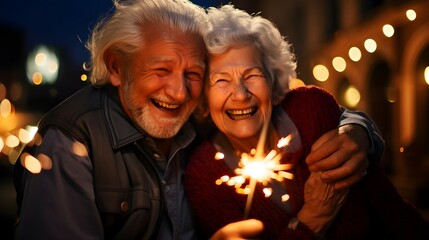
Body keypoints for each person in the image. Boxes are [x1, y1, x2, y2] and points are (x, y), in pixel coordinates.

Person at [14, 0, 384, 239]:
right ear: (116, 67)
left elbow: (309, 112)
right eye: (161, 69)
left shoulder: (198, 119)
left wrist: (360, 132)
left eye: (194, 73)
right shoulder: (69, 143)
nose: (179, 92)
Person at [184, 4, 429, 240]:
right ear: (203, 96)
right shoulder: (204, 175)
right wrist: (314, 218)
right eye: (221, 81)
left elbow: (389, 206)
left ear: (274, 80)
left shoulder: (311, 107)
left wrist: (361, 132)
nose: (240, 94)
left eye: (253, 75)